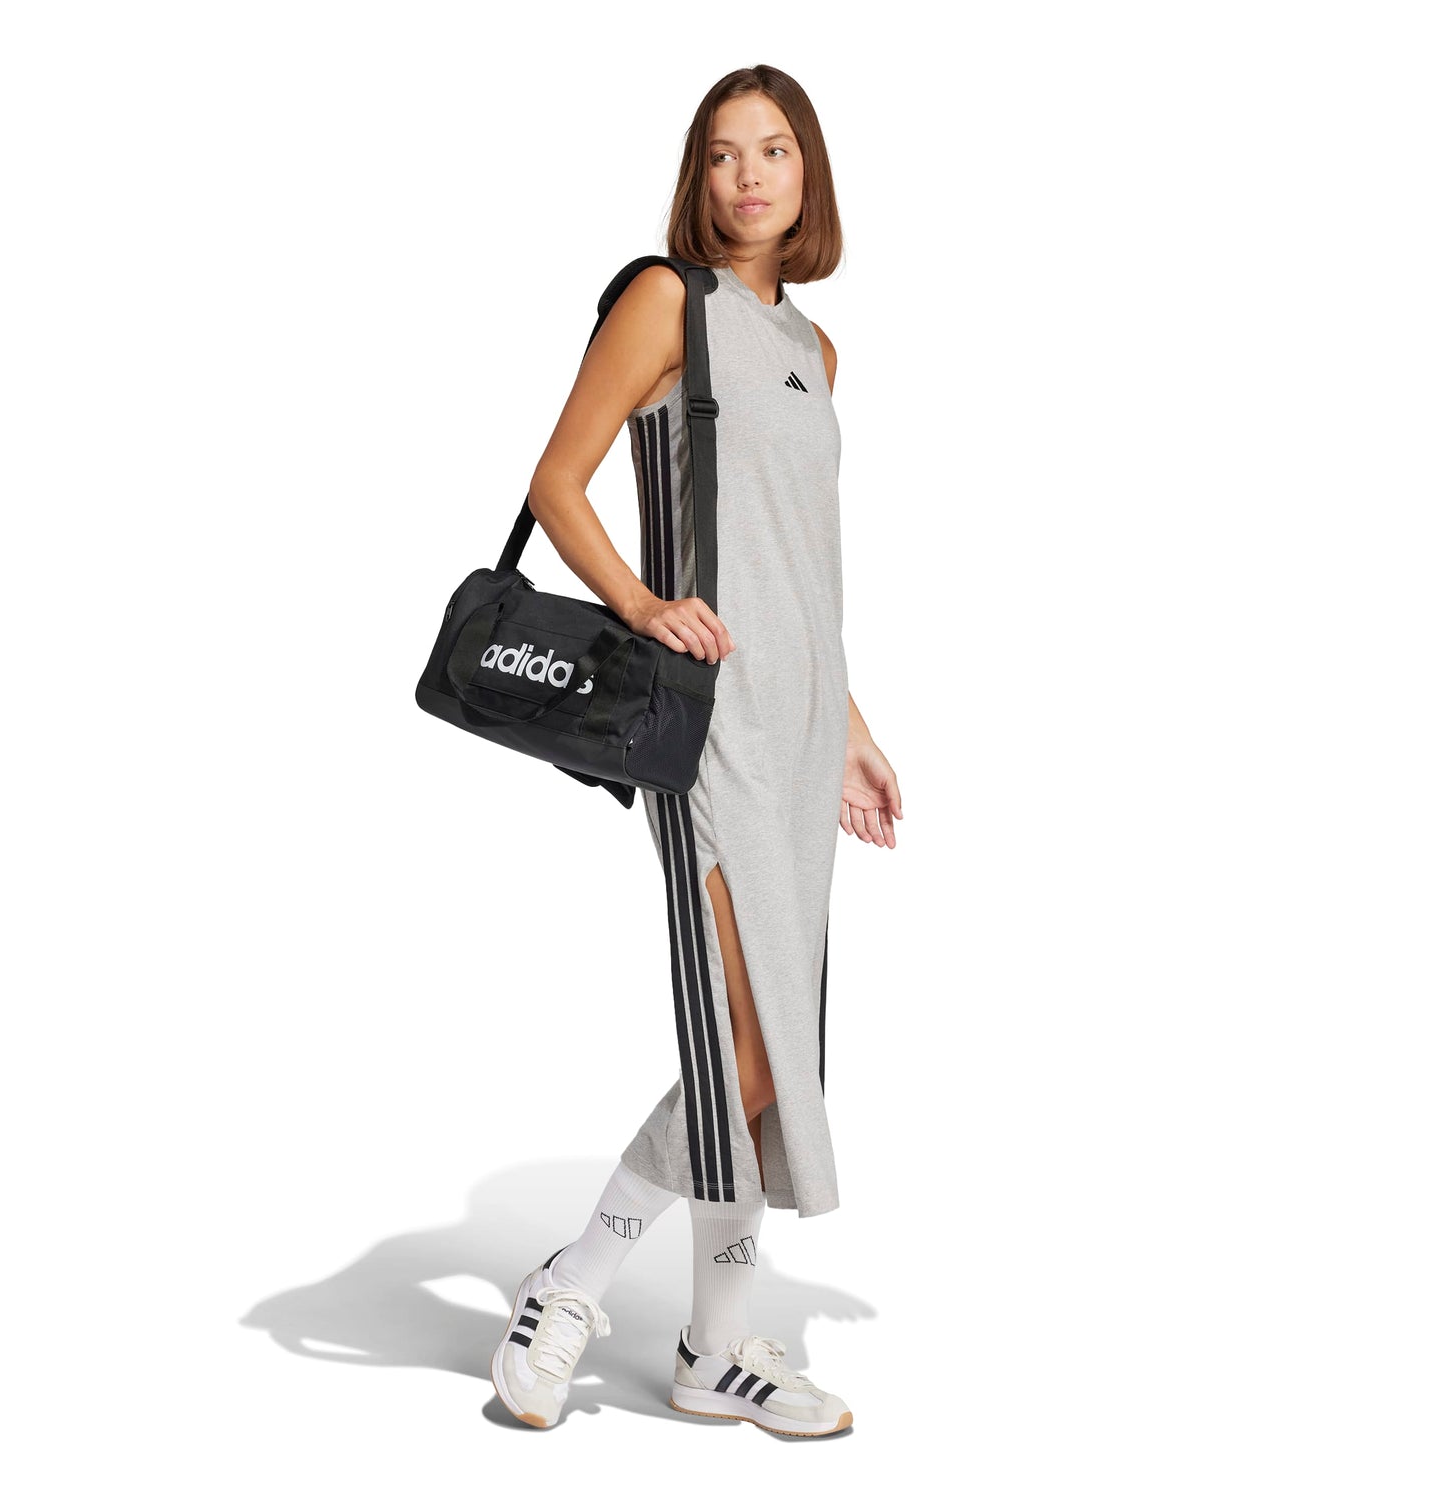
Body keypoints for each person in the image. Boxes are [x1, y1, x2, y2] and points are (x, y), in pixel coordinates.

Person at [489, 64, 902, 1438]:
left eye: (773, 149)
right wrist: (641, 603)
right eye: (724, 153)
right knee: (744, 1046)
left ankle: (719, 1347)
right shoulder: (666, 301)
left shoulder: (817, 350)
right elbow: (558, 481)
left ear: (808, 171)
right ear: (699, 176)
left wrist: (850, 729)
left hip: (802, 727)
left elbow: (801, 567)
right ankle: (572, 1282)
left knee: (781, 1038)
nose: (748, 175)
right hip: (709, 725)